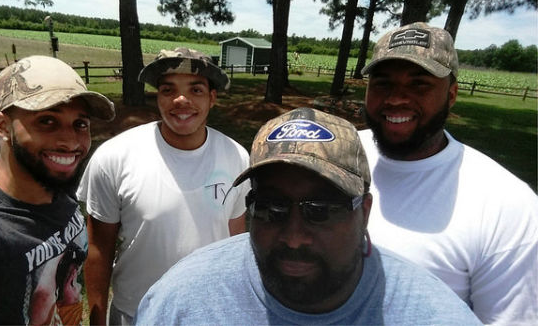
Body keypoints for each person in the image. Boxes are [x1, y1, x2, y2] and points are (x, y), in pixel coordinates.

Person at [134, 107, 482, 325]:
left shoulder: (433, 315)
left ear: (364, 212)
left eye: (321, 212)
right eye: (271, 208)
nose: (294, 236)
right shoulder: (179, 303)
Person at [359, 22, 538, 325]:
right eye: (382, 83)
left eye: (419, 85)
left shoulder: (508, 204)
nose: (396, 98)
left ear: (451, 94)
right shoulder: (338, 154)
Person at [76, 47, 250, 325]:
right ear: (158, 97)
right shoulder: (115, 157)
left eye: (196, 90)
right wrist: (97, 320)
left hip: (209, 313)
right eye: (168, 90)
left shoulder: (237, 157)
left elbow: (236, 243)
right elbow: (98, 248)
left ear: (212, 98)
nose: (181, 100)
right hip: (136, 313)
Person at [0, 55, 115, 324]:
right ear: (2, 125)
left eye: (80, 123)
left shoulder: (56, 189)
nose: (70, 141)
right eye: (47, 121)